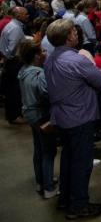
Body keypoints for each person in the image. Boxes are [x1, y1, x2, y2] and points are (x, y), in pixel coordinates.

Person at [44, 19, 101, 218]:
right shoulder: (76, 60)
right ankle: (79, 205)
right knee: (82, 163)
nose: (77, 34)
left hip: (62, 117)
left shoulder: (50, 58)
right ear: (69, 36)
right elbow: (100, 80)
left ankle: (66, 199)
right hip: (80, 117)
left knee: (68, 159)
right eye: (73, 31)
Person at [17, 39, 58, 199]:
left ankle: (41, 181)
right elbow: (46, 93)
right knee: (48, 151)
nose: (44, 53)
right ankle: (48, 188)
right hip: (41, 115)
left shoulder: (23, 71)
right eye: (41, 51)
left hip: (29, 114)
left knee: (39, 149)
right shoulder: (38, 73)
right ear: (35, 56)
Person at [0, 6, 28, 123]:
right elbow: (12, 50)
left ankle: (12, 114)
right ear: (18, 16)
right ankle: (15, 116)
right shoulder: (15, 28)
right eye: (25, 14)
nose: (27, 16)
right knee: (14, 90)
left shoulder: (12, 25)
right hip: (14, 62)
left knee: (11, 89)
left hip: (9, 61)